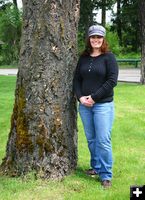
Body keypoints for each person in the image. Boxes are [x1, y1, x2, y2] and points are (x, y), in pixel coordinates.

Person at [73, 25, 118, 189]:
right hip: (85, 106)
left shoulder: (109, 58)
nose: (96, 40)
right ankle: (96, 168)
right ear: (89, 39)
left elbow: (112, 81)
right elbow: (77, 79)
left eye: (99, 37)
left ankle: (106, 175)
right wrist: (80, 98)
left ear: (103, 39)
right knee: (92, 140)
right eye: (93, 37)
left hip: (103, 106)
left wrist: (93, 97)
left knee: (103, 140)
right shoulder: (83, 58)